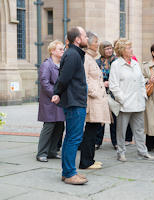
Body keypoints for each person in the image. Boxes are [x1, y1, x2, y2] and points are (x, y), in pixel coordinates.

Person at [52, 26, 88, 185]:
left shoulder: (74, 53)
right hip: (74, 102)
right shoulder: (73, 54)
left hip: (75, 100)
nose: (87, 38)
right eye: (85, 36)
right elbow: (64, 77)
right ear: (78, 39)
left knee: (72, 138)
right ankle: (69, 173)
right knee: (74, 138)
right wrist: (57, 92)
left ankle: (68, 172)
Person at [109, 39, 154, 162]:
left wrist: (144, 94)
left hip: (138, 101)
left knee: (139, 129)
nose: (131, 50)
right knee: (121, 130)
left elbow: (140, 81)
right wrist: (122, 99)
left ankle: (142, 152)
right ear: (122, 50)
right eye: (129, 48)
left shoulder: (135, 63)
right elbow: (113, 85)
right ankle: (121, 152)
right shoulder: (116, 65)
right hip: (125, 103)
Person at [79, 32, 111, 169]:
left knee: (94, 131)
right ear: (89, 43)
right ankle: (85, 162)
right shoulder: (86, 58)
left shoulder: (91, 58)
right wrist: (94, 93)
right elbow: (84, 79)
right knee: (90, 132)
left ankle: (90, 160)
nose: (98, 44)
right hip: (93, 101)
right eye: (96, 41)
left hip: (97, 100)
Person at [36, 40, 65, 162]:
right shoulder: (47, 65)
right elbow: (44, 82)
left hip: (60, 100)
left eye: (63, 49)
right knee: (49, 126)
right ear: (52, 51)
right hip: (50, 101)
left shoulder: (62, 64)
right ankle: (41, 153)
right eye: (60, 49)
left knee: (59, 126)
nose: (63, 51)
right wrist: (55, 94)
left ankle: (52, 151)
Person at [95, 41, 118, 150]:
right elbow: (94, 77)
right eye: (106, 48)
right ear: (102, 50)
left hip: (114, 93)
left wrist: (111, 82)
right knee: (101, 119)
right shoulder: (97, 62)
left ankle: (116, 142)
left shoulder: (117, 61)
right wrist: (102, 83)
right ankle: (97, 142)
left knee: (115, 119)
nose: (109, 50)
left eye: (110, 48)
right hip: (101, 93)